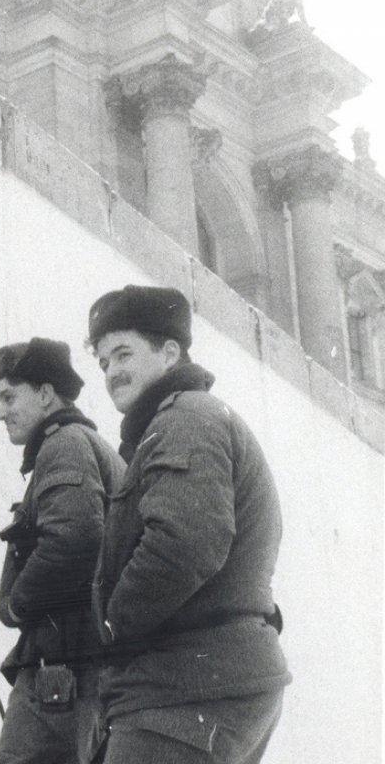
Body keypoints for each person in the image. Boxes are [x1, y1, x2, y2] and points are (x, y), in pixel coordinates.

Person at [87, 284, 291, 763]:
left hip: (184, 688)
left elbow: (185, 542)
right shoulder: (182, 420)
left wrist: (112, 625)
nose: (112, 371)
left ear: (170, 351)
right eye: (103, 363)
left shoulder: (185, 418)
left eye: (123, 353)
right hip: (202, 682)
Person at [0, 337, 125, 764]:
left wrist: (16, 605)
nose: (1, 411)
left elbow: (75, 540)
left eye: (9, 396)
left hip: (61, 673)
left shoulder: (63, 443)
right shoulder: (83, 442)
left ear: (46, 394)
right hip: (80, 668)